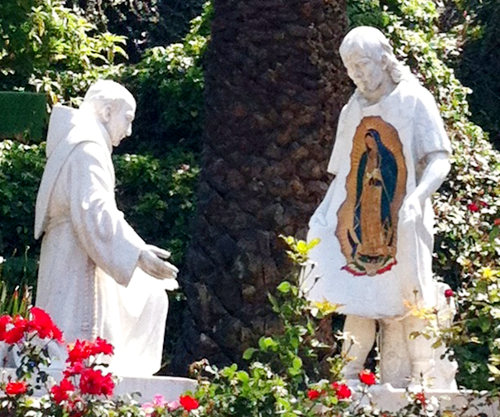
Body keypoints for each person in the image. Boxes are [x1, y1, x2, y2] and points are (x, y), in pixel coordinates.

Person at [303, 27, 456, 388]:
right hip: (362, 217)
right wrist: (326, 215)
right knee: (359, 296)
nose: (357, 74)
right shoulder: (352, 108)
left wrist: (417, 199)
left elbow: (439, 159)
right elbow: (344, 174)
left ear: (384, 60)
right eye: (350, 67)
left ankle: (422, 379)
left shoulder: (414, 99)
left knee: (411, 293)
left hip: (405, 217)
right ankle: (348, 377)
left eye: (362, 64)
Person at [34, 80, 179, 376]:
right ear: (107, 111)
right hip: (78, 257)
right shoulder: (87, 148)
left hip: (72, 251)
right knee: (149, 295)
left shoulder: (80, 143)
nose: (128, 132)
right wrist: (137, 253)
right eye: (127, 120)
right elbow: (94, 212)